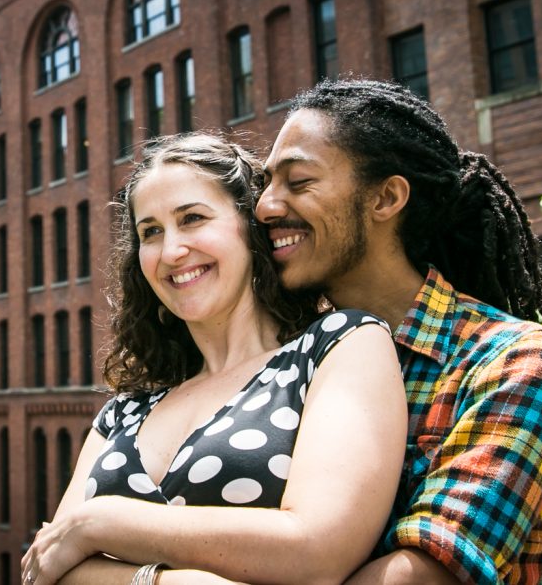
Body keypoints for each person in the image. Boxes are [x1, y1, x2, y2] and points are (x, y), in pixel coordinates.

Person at [21, 133, 408, 585]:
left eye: (193, 219)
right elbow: (46, 570)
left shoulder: (338, 346)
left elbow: (316, 551)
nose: (171, 251)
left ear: (249, 227)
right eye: (151, 232)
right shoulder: (124, 412)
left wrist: (98, 524)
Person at [255, 78, 542, 585]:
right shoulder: (276, 356)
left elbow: (427, 572)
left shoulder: (515, 362)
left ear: (386, 197)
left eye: (298, 183)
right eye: (266, 185)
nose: (266, 207)